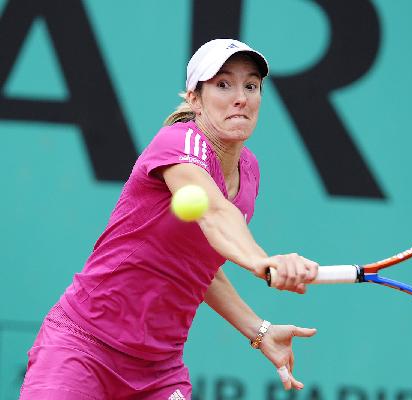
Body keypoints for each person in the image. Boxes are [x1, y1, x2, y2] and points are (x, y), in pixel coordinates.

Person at [20, 38, 319, 400]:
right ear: (194, 98)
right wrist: (261, 261)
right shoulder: (177, 143)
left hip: (159, 372)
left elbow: (197, 265)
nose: (240, 97)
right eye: (223, 84)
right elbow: (213, 213)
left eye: (251, 85)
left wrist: (259, 329)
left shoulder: (250, 171)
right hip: (84, 348)